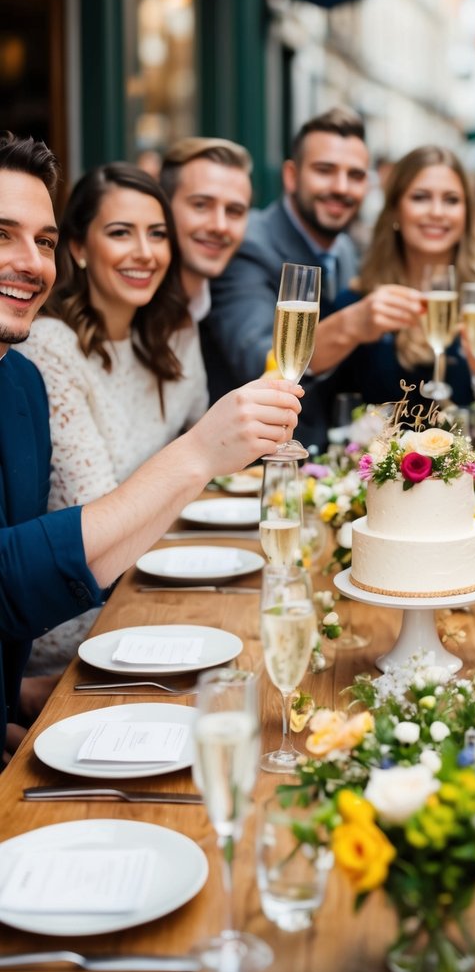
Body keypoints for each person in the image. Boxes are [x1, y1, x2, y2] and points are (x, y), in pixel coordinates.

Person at [0, 131, 303, 757]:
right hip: (91, 629)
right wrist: (199, 454)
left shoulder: (17, 377)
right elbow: (39, 564)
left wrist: (14, 699)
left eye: (41, 241)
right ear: (86, 250)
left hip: (114, 623)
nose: (29, 261)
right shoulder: (44, 354)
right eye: (1, 234)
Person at [16, 163, 210, 683]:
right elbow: (96, 521)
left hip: (153, 589)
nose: (145, 252)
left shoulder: (172, 337)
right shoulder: (48, 347)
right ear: (77, 248)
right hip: (80, 629)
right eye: (121, 232)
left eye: (158, 234)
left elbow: (213, 479)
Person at [309, 145, 475, 455]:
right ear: (395, 209)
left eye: (451, 200)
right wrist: (352, 326)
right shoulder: (361, 301)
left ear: (467, 214)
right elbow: (319, 403)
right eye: (420, 197)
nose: (436, 212)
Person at [204, 107, 370, 450]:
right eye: (325, 171)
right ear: (292, 176)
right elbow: (260, 360)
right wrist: (351, 325)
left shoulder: (345, 249)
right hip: (248, 465)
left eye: (355, 175)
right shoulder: (248, 244)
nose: (341, 187)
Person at [159, 136, 252, 324]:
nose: (220, 226)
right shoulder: (129, 312)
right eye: (201, 205)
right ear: (164, 206)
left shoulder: (216, 300)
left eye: (234, 211)